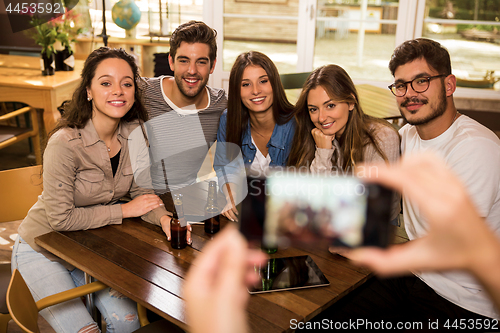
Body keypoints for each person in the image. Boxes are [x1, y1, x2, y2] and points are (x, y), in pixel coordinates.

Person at [183, 153, 500, 333]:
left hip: (459, 301)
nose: (321, 116)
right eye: (314, 109)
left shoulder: (471, 147)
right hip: (402, 275)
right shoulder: (410, 136)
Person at [321, 38, 500, 326]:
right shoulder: (406, 136)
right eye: (401, 85)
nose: (409, 94)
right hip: (415, 275)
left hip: (466, 299)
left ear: (449, 85)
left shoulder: (476, 147)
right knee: (322, 318)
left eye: (422, 81)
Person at [11, 47, 171, 333]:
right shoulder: (65, 143)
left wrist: (163, 219)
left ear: (134, 92)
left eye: (127, 83)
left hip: (93, 251)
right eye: (106, 83)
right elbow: (61, 219)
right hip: (43, 249)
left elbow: (143, 195)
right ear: (88, 91)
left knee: (128, 324)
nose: (118, 91)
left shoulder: (136, 131)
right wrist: (124, 210)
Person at [131, 20, 226, 240]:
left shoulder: (221, 105)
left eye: (201, 62)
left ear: (212, 66)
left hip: (187, 211)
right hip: (139, 208)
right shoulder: (142, 93)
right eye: (184, 61)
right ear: (171, 61)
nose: (192, 71)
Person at [287, 64, 401, 224]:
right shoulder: (315, 135)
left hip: (377, 227)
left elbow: (376, 207)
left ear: (351, 102)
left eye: (330, 106)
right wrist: (323, 151)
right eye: (313, 109)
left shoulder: (383, 137)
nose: (321, 118)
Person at [215, 51, 295, 222]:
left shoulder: (297, 124)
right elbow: (225, 167)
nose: (256, 91)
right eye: (246, 84)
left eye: (263, 81)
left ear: (275, 83)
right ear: (237, 90)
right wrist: (231, 196)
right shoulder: (228, 120)